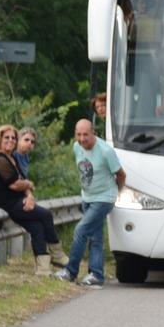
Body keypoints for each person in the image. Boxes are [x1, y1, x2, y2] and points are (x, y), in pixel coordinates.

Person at [0, 124, 66, 275]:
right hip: (5, 203)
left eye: (13, 137)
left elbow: (22, 181)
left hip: (16, 201)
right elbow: (15, 184)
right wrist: (28, 185)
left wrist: (29, 197)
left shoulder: (11, 158)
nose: (11, 140)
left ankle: (43, 268)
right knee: (46, 215)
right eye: (7, 137)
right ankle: (57, 255)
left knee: (37, 227)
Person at [59, 118, 124, 286]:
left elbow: (121, 174)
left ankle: (70, 271)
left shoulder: (105, 151)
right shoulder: (76, 147)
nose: (82, 139)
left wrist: (117, 191)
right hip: (87, 197)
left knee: (80, 230)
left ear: (93, 132)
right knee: (95, 237)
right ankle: (96, 275)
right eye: (79, 135)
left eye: (85, 135)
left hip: (104, 198)